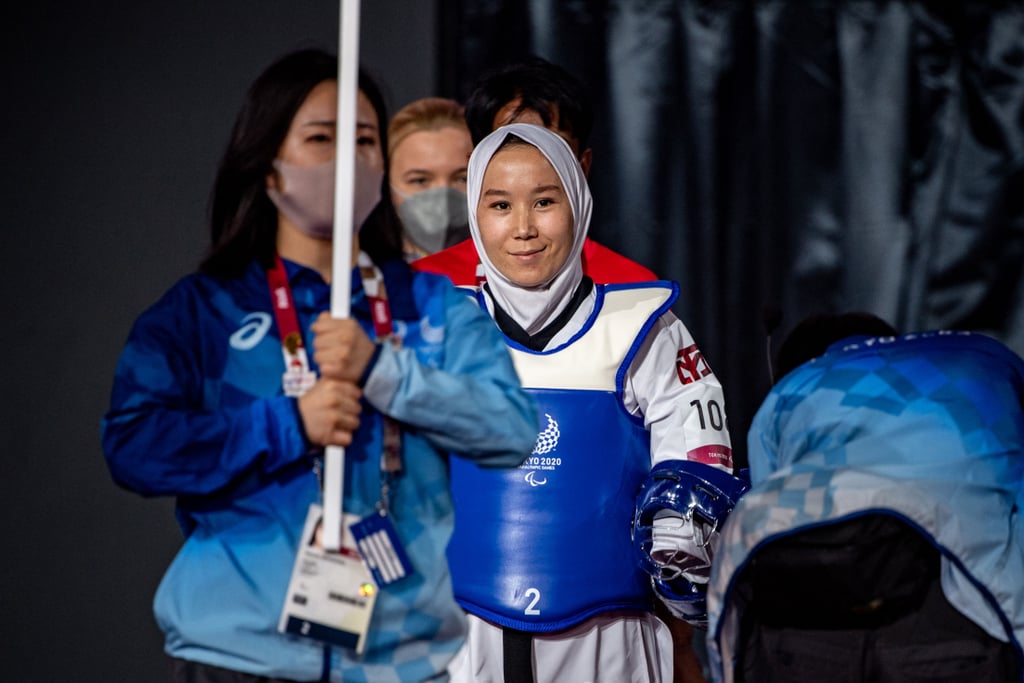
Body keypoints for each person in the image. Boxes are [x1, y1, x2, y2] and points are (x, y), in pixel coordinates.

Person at [101, 49, 538, 683]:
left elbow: (510, 430)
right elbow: (132, 446)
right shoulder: (205, 310)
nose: (346, 158)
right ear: (269, 167)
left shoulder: (429, 304)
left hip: (398, 662)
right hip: (236, 655)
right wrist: (286, 425)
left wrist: (384, 372)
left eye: (363, 139)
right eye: (319, 138)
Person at [444, 123, 740, 683]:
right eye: (501, 204)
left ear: (578, 203)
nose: (524, 227)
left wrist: (681, 549)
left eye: (545, 201)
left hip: (609, 638)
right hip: (456, 636)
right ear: (475, 215)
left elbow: (698, 451)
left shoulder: (644, 329)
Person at [706, 313, 1024, 682]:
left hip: (802, 629)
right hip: (955, 613)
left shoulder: (790, 389)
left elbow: (767, 505)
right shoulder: (988, 359)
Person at [412, 56, 657, 286]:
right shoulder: (424, 287)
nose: (529, 159)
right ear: (476, 168)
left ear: (582, 166)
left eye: (553, 145)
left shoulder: (633, 290)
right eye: (509, 141)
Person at [387, 97, 474, 261]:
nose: (443, 200)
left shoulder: (513, 275)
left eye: (462, 179)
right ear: (387, 186)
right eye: (420, 180)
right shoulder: (368, 277)